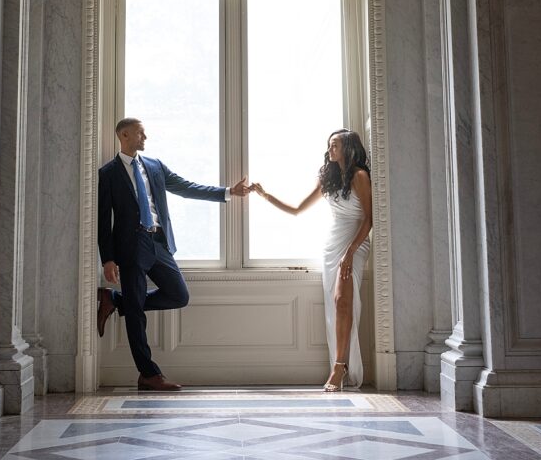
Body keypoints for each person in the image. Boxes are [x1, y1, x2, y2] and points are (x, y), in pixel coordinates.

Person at [97, 117, 250, 391]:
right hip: (130, 247)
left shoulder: (154, 166)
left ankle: (115, 300)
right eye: (140, 133)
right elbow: (102, 219)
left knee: (179, 295)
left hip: (158, 242)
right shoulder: (108, 173)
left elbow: (186, 187)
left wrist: (228, 192)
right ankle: (148, 374)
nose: (146, 138)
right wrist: (107, 258)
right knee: (136, 315)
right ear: (124, 135)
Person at [251, 129, 372, 391]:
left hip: (355, 243)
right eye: (329, 146)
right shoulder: (327, 178)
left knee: (343, 301)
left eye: (335, 145)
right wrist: (265, 195)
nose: (330, 150)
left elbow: (369, 219)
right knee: (336, 304)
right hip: (332, 245)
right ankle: (340, 364)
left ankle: (339, 369)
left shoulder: (361, 177)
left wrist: (350, 252)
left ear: (349, 148)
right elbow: (296, 210)